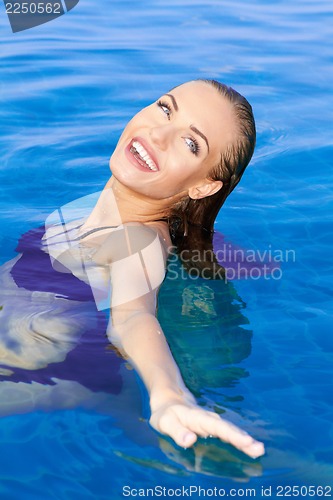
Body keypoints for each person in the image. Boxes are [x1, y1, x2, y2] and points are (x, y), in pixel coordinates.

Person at [1, 79, 265, 459]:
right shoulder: (91, 207)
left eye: (190, 144)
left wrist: (169, 396)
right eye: (165, 108)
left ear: (204, 187)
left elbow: (132, 317)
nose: (158, 134)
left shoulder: (139, 242)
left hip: (30, 371)